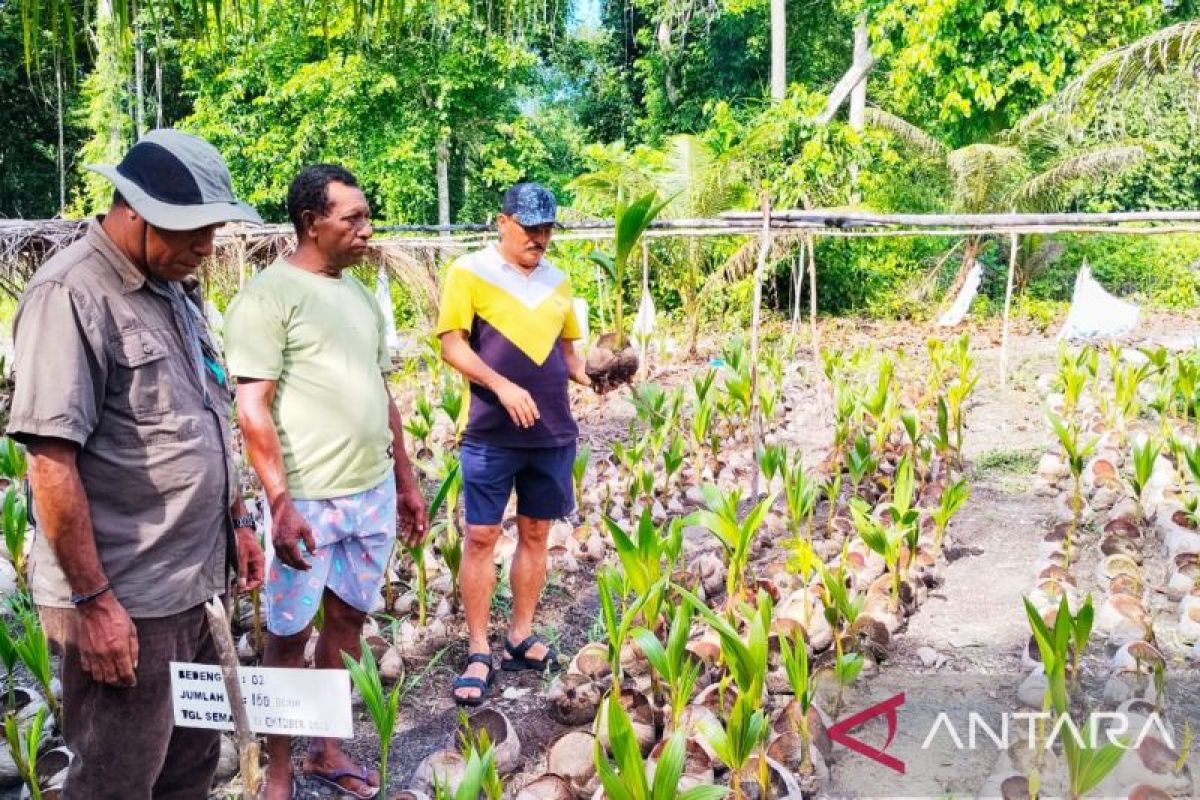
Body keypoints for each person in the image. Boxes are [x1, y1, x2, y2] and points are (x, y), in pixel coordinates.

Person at [8, 128, 267, 799]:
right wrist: (95, 605)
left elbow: (203, 413)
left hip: (189, 585)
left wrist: (236, 521)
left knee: (187, 767)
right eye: (192, 231)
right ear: (133, 211)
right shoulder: (71, 296)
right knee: (117, 781)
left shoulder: (176, 288)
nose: (206, 247)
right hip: (124, 597)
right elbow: (51, 463)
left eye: (212, 229)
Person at [223, 164, 428, 800]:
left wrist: (405, 478)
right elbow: (252, 408)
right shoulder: (268, 298)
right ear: (313, 223)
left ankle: (327, 751)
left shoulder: (361, 298)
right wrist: (280, 504)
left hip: (369, 493)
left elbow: (380, 391)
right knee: (289, 637)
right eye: (353, 220)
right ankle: (278, 774)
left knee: (347, 621)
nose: (367, 231)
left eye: (366, 218)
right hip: (306, 501)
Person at [436, 182, 590, 706]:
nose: (540, 238)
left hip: (550, 431)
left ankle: (520, 634)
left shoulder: (559, 282)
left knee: (536, 532)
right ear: (501, 220)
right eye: (530, 227)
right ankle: (478, 648)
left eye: (547, 228)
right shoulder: (469, 272)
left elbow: (569, 358)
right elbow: (451, 344)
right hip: (489, 431)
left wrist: (601, 375)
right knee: (481, 536)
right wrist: (501, 386)